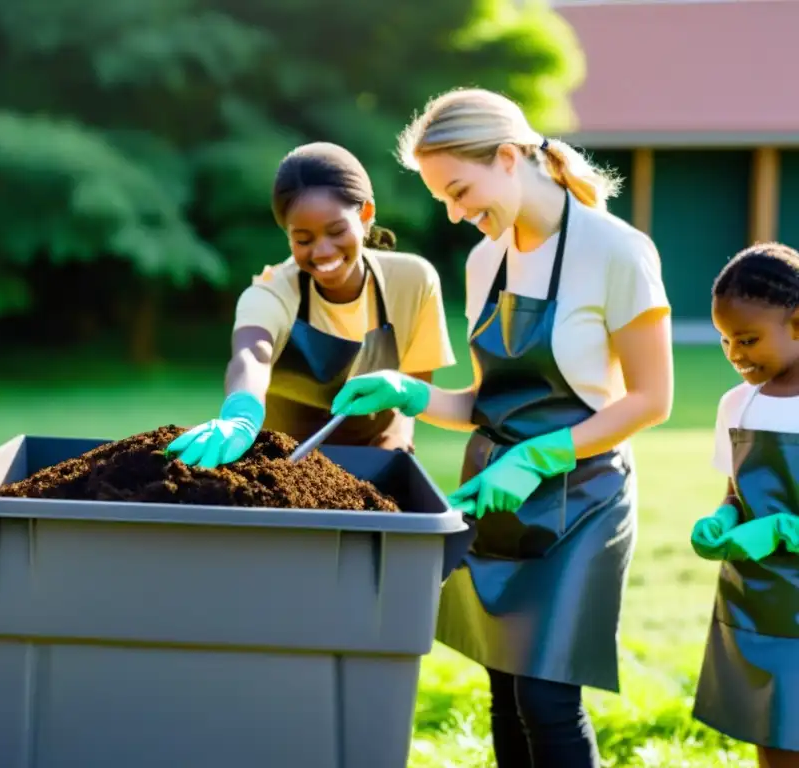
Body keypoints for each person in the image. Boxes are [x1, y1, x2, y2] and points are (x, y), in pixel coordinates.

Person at [330, 88, 674, 767]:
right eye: (444, 202)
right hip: (494, 491)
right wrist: (410, 391)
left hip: (585, 497)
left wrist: (539, 458)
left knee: (546, 697)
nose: (458, 215)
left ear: (510, 157)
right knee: (503, 686)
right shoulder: (485, 260)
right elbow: (487, 403)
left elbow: (651, 400)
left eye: (461, 190)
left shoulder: (617, 252)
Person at [165, 141, 457, 468]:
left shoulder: (412, 282)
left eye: (336, 231)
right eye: (304, 239)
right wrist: (241, 417)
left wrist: (399, 435)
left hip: (372, 464)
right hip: (280, 469)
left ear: (365, 214)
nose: (322, 251)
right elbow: (252, 355)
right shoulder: (271, 292)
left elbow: (414, 387)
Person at [690, 242, 799, 768]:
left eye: (749, 339)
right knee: (774, 736)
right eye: (725, 340)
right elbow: (736, 488)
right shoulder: (737, 404)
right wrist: (724, 517)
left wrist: (781, 529)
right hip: (757, 602)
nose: (735, 354)